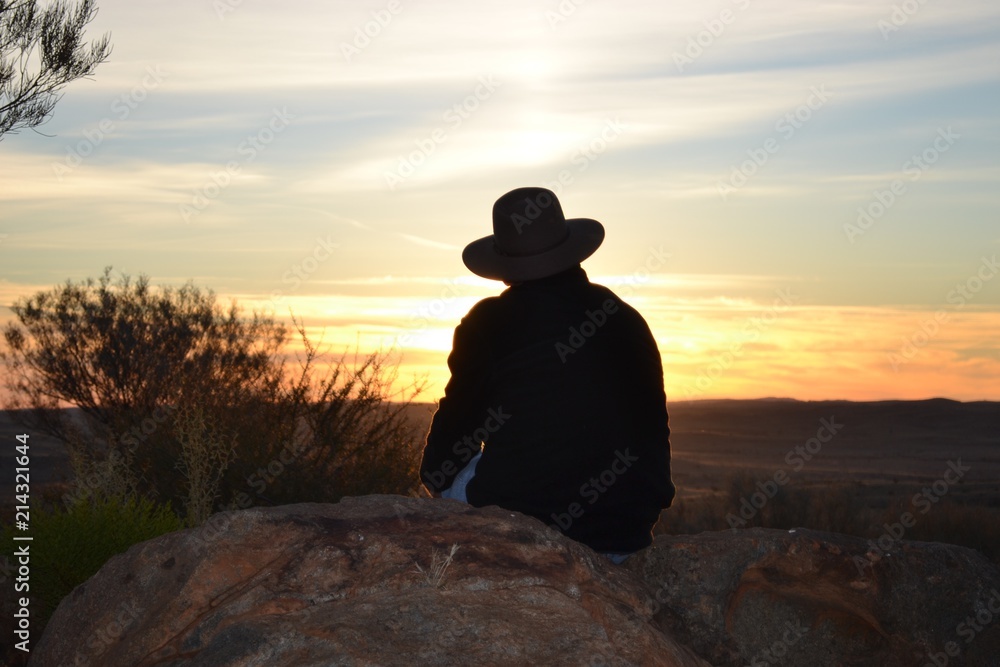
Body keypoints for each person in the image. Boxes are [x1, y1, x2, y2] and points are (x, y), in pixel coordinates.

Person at [419, 186, 675, 562]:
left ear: (504, 265)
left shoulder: (489, 322)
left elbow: (452, 439)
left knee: (451, 476)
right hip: (625, 534)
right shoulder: (625, 317)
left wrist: (436, 480)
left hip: (525, 529)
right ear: (570, 248)